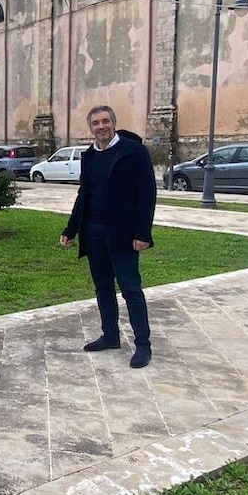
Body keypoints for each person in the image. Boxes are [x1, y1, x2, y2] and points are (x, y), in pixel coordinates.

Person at [60, 106, 157, 368]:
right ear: (90, 128)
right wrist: (71, 229)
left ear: (114, 123)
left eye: (105, 121)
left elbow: (147, 194)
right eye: (95, 123)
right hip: (94, 232)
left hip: (123, 234)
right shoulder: (89, 155)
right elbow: (84, 194)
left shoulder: (133, 152)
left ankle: (143, 345)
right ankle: (110, 335)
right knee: (103, 287)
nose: (101, 126)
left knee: (131, 289)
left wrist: (142, 232)